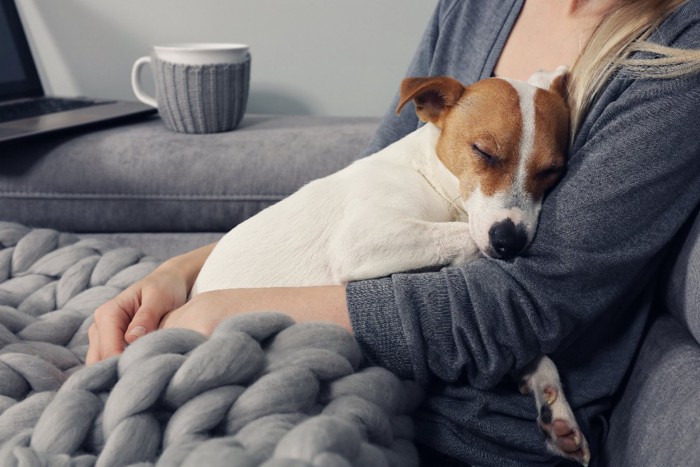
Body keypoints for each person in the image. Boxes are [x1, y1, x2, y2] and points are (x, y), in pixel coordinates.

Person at [87, 0, 700, 465]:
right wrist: (182, 274)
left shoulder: (679, 52)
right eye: (485, 154)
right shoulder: (480, 7)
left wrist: (231, 309)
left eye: (546, 176)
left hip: (458, 422)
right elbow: (360, 190)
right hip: (293, 353)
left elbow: (516, 309)